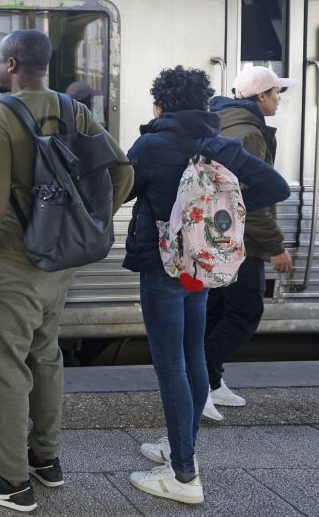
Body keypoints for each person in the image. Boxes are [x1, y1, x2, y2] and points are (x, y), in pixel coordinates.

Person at [0, 30, 133, 513]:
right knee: (46, 355)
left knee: (6, 368)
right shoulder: (73, 109)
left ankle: (11, 482)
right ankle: (46, 460)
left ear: (11, 64)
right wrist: (88, 219)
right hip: (59, 265)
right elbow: (124, 172)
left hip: (13, 261)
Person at [123, 65, 288, 505]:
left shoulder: (152, 144)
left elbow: (119, 192)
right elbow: (276, 187)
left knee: (170, 365)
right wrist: (226, 207)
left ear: (161, 104)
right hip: (201, 265)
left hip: (163, 266)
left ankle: (182, 474)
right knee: (193, 357)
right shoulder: (220, 144)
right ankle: (183, 446)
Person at [203, 66, 295, 418]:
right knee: (245, 311)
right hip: (242, 241)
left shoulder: (222, 120)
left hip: (219, 237)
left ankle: (210, 382)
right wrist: (275, 246)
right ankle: (200, 378)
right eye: (276, 94)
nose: (278, 100)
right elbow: (249, 200)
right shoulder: (249, 134)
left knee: (215, 312)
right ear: (260, 96)